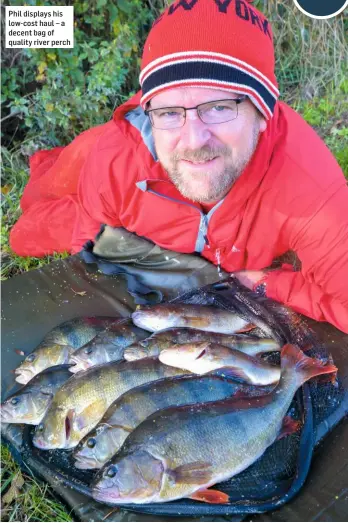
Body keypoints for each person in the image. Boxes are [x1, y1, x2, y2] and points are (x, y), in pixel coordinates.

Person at [10, 0, 348, 333]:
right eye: (170, 112)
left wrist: (271, 285)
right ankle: (46, 165)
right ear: (150, 112)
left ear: (262, 112)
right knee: (30, 221)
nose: (194, 140)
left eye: (218, 107)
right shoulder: (116, 162)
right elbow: (92, 237)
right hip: (108, 161)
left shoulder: (311, 195)